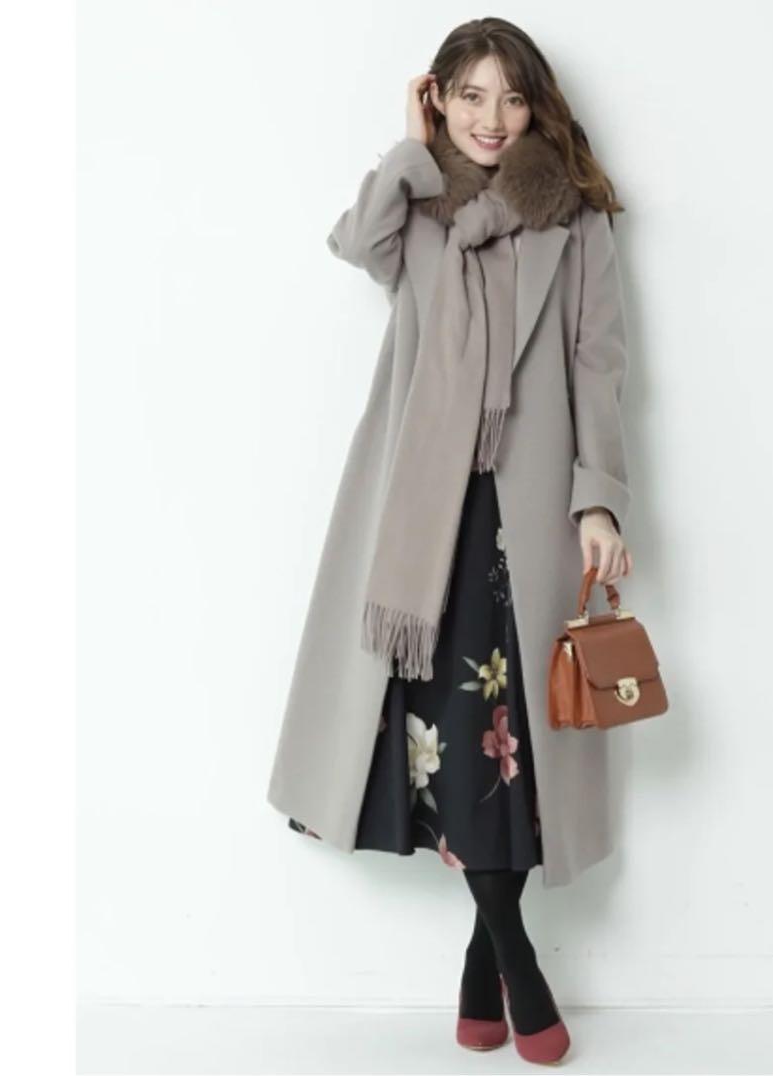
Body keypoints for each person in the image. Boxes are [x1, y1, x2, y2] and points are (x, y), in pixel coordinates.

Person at [267, 17, 634, 1065]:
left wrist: (599, 499)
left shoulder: (575, 220)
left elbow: (598, 363)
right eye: (469, 95)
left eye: (510, 97)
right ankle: (516, 961)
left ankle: (485, 964)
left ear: (536, 104)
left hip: (528, 513)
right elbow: (355, 244)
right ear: (441, 100)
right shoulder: (420, 206)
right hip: (423, 513)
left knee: (507, 741)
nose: (492, 118)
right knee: (447, 726)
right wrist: (408, 145)